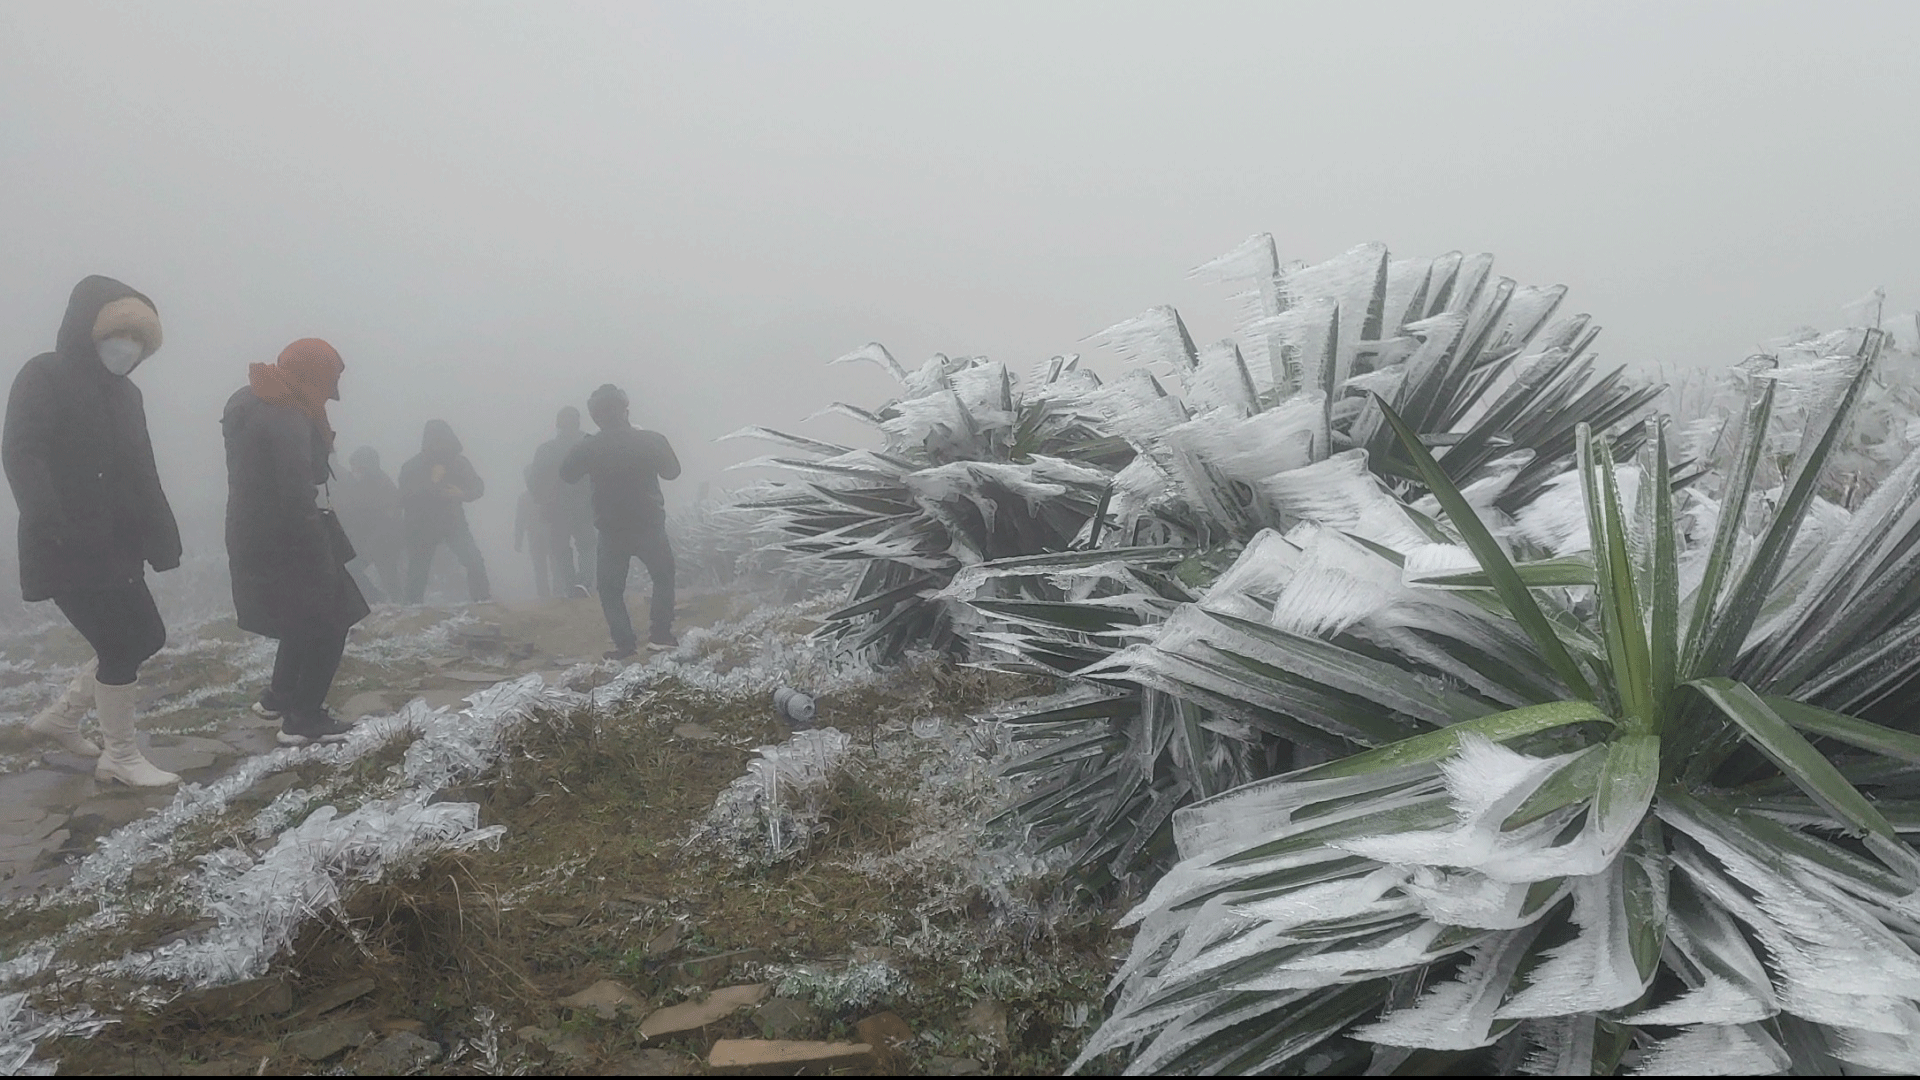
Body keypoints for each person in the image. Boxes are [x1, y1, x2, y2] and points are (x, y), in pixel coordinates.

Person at [3, 276, 183, 786]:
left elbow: (141, 470)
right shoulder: (44, 374)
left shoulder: (128, 395)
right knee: (122, 641)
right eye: (120, 335)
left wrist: (160, 533)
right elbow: (21, 452)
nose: (129, 349)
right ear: (90, 328)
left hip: (116, 545)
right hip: (65, 544)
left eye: (140, 343)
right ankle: (120, 757)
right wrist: (51, 522)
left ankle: (60, 718)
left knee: (147, 635)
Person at [222, 338, 368, 746]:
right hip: (288, 534)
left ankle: (278, 698)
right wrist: (316, 550)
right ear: (311, 374)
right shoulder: (286, 416)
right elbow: (295, 489)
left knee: (301, 616)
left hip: (254, 530)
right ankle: (303, 719)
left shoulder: (253, 400)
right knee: (331, 618)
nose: (331, 392)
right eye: (328, 381)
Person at [560, 384, 681, 659]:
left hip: (611, 529)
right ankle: (661, 636)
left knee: (610, 589)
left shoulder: (590, 445)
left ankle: (624, 645)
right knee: (663, 577)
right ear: (625, 409)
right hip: (649, 523)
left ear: (595, 416)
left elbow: (567, 474)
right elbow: (673, 472)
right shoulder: (650, 439)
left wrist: (588, 444)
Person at [398, 419, 490, 603]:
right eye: (435, 440)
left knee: (474, 562)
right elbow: (404, 498)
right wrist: (432, 482)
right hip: (420, 525)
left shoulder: (457, 462)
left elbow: (478, 486)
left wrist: (463, 494)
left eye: (443, 440)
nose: (440, 445)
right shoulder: (412, 466)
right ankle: (411, 612)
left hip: (452, 523)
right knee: (418, 573)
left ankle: (483, 604)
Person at [527, 406, 594, 598]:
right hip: (585, 507)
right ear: (578, 422)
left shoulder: (546, 450)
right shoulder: (589, 444)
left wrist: (543, 501)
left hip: (557, 509)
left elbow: (534, 481)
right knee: (587, 547)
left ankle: (572, 586)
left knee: (562, 549)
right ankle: (584, 584)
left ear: (557, 424)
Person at [334, 445, 403, 602]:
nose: (355, 470)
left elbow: (391, 518)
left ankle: (399, 608)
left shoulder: (384, 485)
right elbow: (345, 511)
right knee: (350, 571)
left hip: (383, 541)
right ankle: (377, 599)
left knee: (389, 578)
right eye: (354, 466)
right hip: (361, 539)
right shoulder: (349, 484)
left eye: (359, 467)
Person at [514, 468, 552, 599]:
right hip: (542, 535)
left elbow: (519, 521)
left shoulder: (525, 497)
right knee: (545, 565)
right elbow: (519, 521)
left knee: (542, 566)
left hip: (542, 535)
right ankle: (550, 594)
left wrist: (518, 541)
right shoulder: (546, 493)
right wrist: (518, 541)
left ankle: (547, 595)